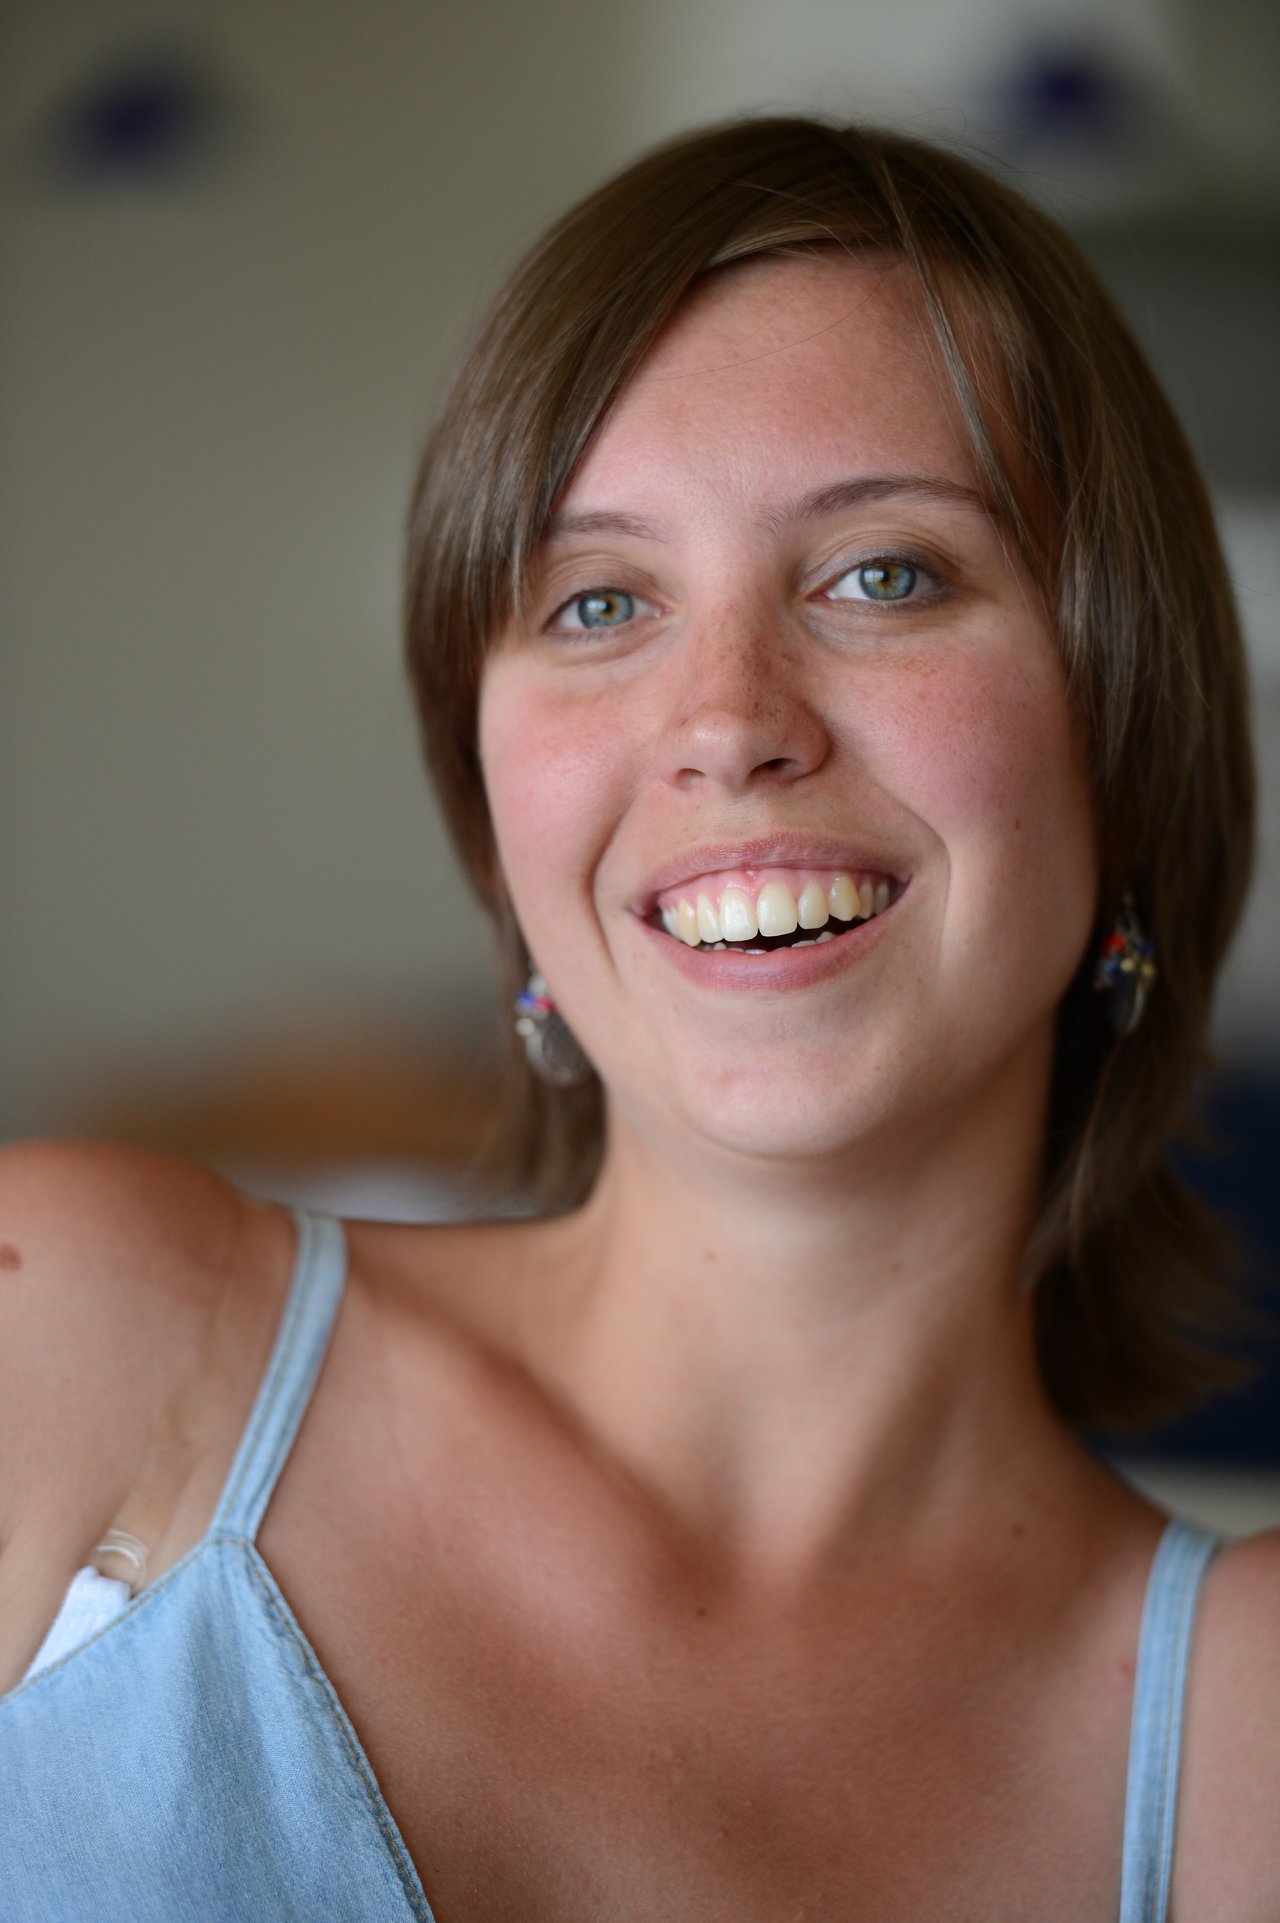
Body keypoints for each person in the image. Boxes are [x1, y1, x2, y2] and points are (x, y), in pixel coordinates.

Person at [0, 115, 1274, 1921]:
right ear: (492, 805)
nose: (727, 718)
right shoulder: (76, 1339)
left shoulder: (1246, 1735)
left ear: (1125, 741)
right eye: (599, 601)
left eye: (885, 572)